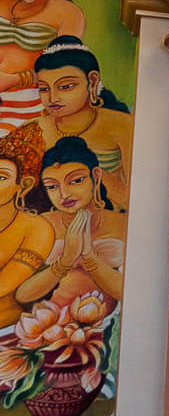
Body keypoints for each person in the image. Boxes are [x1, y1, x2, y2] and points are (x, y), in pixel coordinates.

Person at [16, 137, 125, 309]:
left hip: (106, 323)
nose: (64, 194)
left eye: (75, 181)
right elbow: (22, 294)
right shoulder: (40, 225)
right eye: (52, 186)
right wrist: (65, 261)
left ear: (95, 177)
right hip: (47, 321)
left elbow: (131, 292)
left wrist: (89, 257)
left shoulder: (124, 224)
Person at [32, 38, 132, 211]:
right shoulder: (34, 129)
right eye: (44, 88)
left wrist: (90, 170)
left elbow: (135, 199)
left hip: (106, 221)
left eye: (65, 86)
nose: (52, 98)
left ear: (92, 81)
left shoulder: (122, 125)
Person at [0, 123, 55, 328]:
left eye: (1, 177)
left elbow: (4, 285)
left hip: (10, 329)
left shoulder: (36, 228)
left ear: (23, 185)